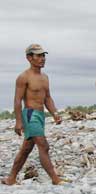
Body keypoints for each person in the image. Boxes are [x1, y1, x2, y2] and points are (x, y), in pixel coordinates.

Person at [2, 44, 63, 186]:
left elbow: (48, 97)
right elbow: (17, 100)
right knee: (43, 145)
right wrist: (18, 121)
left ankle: (11, 178)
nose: (42, 58)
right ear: (29, 58)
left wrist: (55, 113)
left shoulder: (45, 77)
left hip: (40, 116)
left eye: (43, 55)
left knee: (26, 149)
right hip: (30, 114)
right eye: (39, 55)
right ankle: (55, 179)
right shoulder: (23, 77)